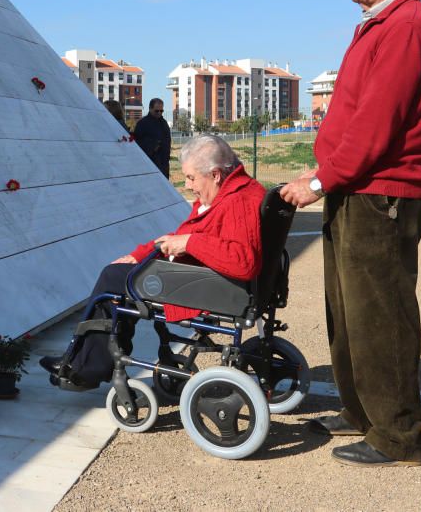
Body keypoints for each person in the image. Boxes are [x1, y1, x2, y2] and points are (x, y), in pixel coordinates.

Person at [281, 0, 421, 468]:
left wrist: (318, 181)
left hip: (382, 191)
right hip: (358, 186)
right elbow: (357, 118)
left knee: (381, 311)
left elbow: (378, 125)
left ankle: (398, 435)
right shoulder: (380, 26)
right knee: (348, 308)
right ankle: (363, 413)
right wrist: (327, 170)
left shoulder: (406, 27)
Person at [40, 134, 265, 386]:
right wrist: (139, 254)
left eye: (191, 178)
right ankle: (88, 361)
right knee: (121, 275)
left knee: (112, 279)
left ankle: (84, 367)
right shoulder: (232, 192)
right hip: (204, 277)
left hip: (206, 286)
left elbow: (243, 261)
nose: (188, 186)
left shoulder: (237, 201)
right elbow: (179, 237)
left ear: (215, 174)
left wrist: (190, 243)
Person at [134, 98, 171, 178]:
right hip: (150, 164)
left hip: (164, 164)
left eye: (161, 111)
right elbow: (137, 143)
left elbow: (168, 141)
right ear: (150, 109)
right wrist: (153, 146)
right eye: (156, 111)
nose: (159, 113)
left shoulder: (164, 123)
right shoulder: (142, 123)